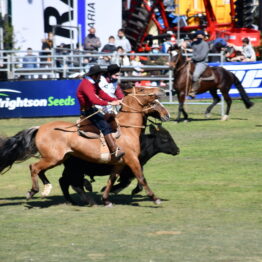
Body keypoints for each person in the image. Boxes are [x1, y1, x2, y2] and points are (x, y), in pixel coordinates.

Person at [76, 65, 124, 161]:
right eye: (99, 75)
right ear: (95, 75)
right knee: (105, 126)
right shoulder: (86, 84)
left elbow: (101, 93)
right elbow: (93, 99)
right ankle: (114, 151)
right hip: (87, 111)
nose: (101, 76)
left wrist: (114, 99)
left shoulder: (93, 83)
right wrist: (109, 103)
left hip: (91, 109)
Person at [187, 30, 209, 98]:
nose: (199, 36)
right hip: (193, 61)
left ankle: (194, 91)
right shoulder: (193, 43)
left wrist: (192, 58)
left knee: (195, 75)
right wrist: (184, 44)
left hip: (201, 62)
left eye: (201, 35)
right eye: (198, 34)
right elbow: (188, 45)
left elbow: (202, 56)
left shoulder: (205, 44)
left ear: (203, 36)